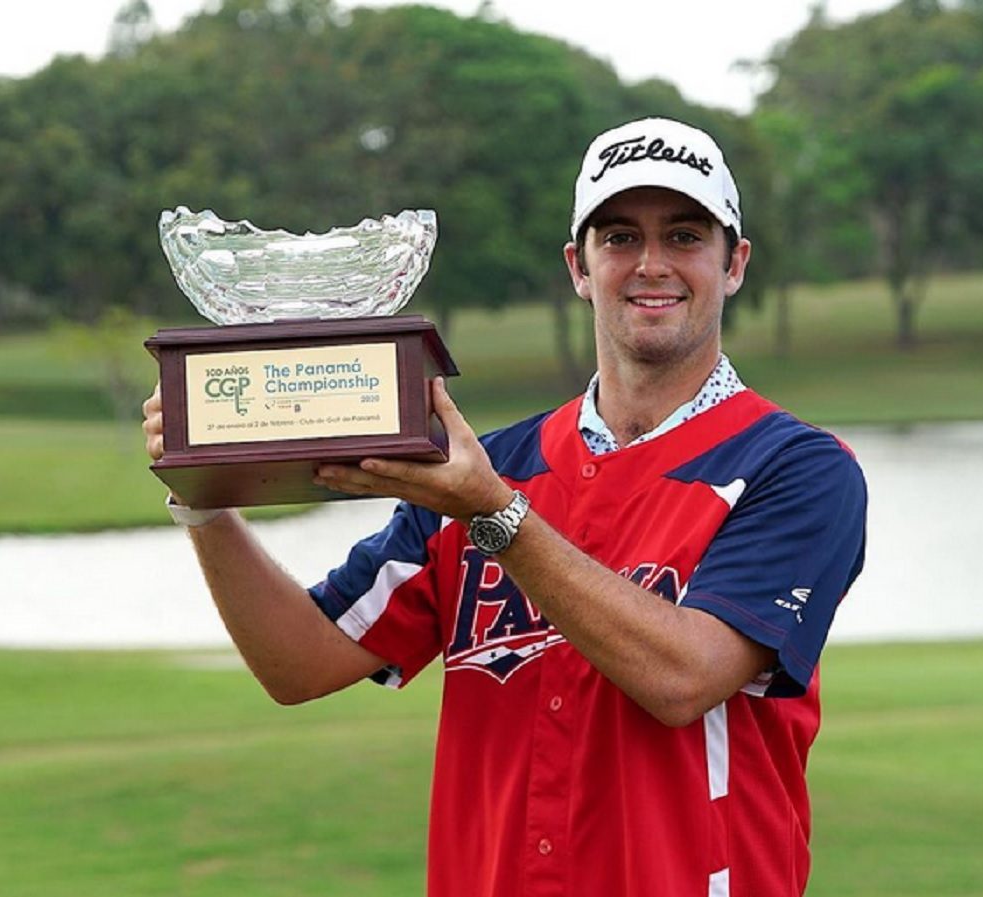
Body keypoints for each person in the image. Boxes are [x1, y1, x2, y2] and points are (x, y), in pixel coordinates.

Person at [143, 117, 867, 897]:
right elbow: (299, 664)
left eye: (685, 235)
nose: (651, 264)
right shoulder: (488, 467)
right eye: (619, 237)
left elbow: (683, 677)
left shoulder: (794, 468)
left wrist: (492, 511)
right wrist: (204, 497)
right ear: (579, 267)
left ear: (733, 264)